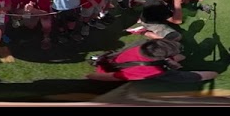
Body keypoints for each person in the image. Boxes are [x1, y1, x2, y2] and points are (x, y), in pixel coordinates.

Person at [86, 38, 218, 83]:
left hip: (125, 60)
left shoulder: (143, 44)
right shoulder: (148, 71)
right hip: (118, 69)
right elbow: (112, 77)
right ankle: (218, 71)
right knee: (189, 77)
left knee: (181, 58)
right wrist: (90, 76)